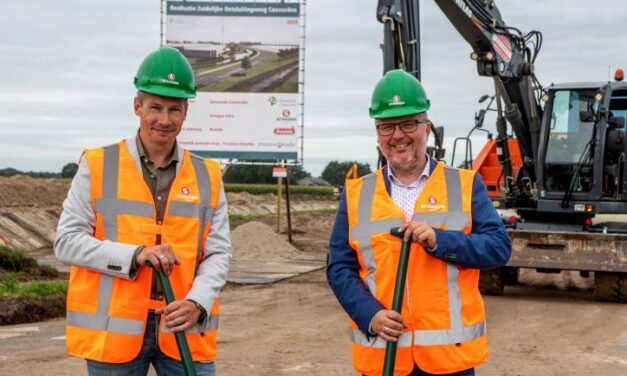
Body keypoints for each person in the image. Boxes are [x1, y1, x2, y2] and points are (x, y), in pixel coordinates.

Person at [54, 46, 231, 376]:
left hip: (184, 328)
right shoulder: (97, 165)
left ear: (186, 112)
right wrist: (135, 254)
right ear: (137, 106)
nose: (164, 120)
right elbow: (66, 242)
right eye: (155, 107)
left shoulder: (208, 175)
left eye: (174, 109)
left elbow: (218, 252)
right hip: (115, 332)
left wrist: (198, 303)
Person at [326, 69, 511, 376]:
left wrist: (441, 241)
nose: (397, 135)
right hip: (383, 357)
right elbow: (339, 267)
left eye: (408, 123)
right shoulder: (357, 193)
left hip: (449, 362)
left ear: (427, 127)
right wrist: (370, 315)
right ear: (377, 133)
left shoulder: (465, 184)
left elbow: (498, 248)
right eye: (386, 127)